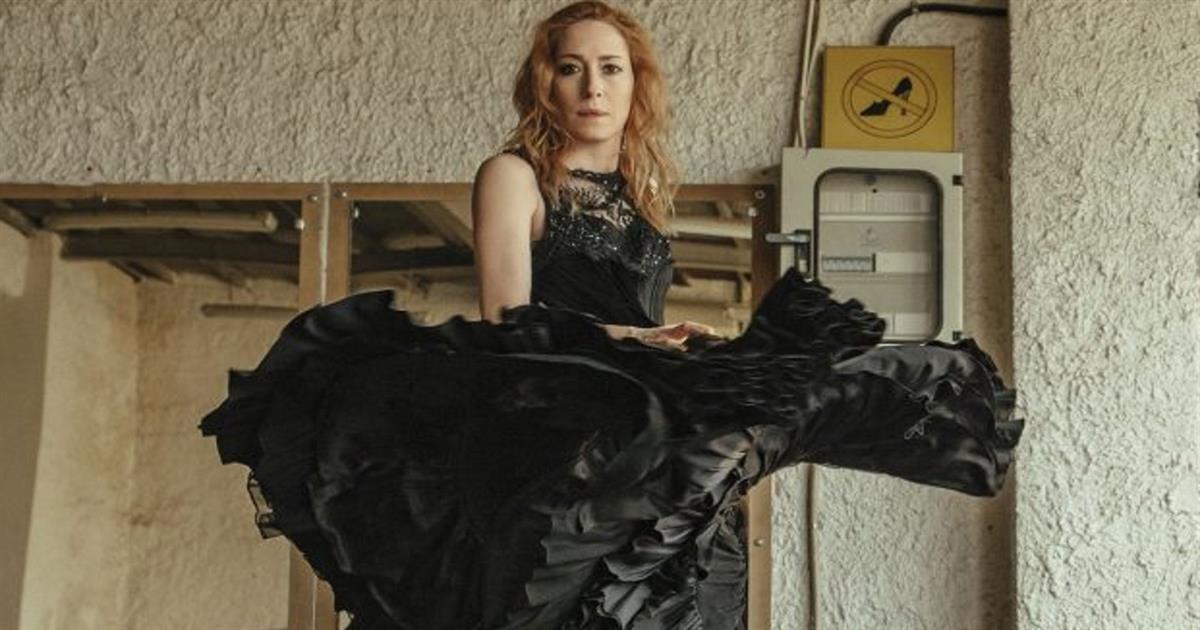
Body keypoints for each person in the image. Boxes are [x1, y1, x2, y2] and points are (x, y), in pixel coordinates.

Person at [200, 2, 1023, 629]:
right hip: (552, 416)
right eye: (571, 68)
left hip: (627, 414)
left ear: (636, 85)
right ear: (544, 84)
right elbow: (505, 317)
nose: (593, 88)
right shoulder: (514, 175)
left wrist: (672, 350)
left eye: (611, 68)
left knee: (767, 432)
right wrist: (637, 338)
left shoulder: (642, 195)